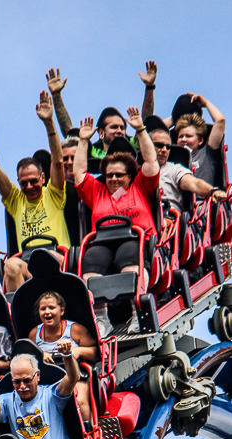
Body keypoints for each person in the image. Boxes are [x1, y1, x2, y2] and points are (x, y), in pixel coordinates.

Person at [0, 91, 70, 293]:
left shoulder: (54, 194)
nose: (29, 187)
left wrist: (49, 123)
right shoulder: (16, 200)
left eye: (33, 181)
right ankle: (20, 315)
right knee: (11, 266)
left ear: (43, 178)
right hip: (26, 259)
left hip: (54, 255)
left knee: (43, 261)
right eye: (24, 183)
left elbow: (58, 162)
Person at [73, 107, 160, 338]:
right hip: (103, 242)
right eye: (110, 175)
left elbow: (151, 162)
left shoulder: (140, 186)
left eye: (119, 175)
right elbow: (80, 173)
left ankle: (136, 313)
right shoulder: (97, 191)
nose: (113, 179)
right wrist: (83, 141)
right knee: (91, 260)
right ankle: (101, 318)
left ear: (129, 175)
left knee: (128, 255)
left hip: (135, 241)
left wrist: (140, 129)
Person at [46, 62, 157, 153]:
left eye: (122, 128)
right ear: (101, 132)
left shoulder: (133, 146)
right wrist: (56, 96)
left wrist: (149, 87)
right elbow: (70, 133)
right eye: (114, 127)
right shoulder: (94, 153)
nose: (119, 131)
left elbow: (144, 124)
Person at [28, 290, 98, 421]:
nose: (47, 312)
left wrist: (77, 351)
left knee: (80, 400)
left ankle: (88, 432)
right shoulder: (34, 334)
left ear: (61, 311)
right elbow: (26, 357)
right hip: (46, 378)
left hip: (76, 375)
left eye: (52, 308)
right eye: (43, 309)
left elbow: (95, 353)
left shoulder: (75, 329)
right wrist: (40, 355)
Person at [147, 118, 227, 211]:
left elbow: (194, 183)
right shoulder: (136, 170)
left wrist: (212, 191)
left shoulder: (175, 169)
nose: (164, 150)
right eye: (159, 145)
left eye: (168, 147)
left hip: (168, 216)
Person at [174, 94, 226, 186]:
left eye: (188, 136)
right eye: (180, 136)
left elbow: (220, 121)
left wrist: (205, 103)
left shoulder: (207, 153)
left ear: (200, 140)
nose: (183, 139)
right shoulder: (171, 157)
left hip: (204, 198)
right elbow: (152, 134)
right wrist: (177, 114)